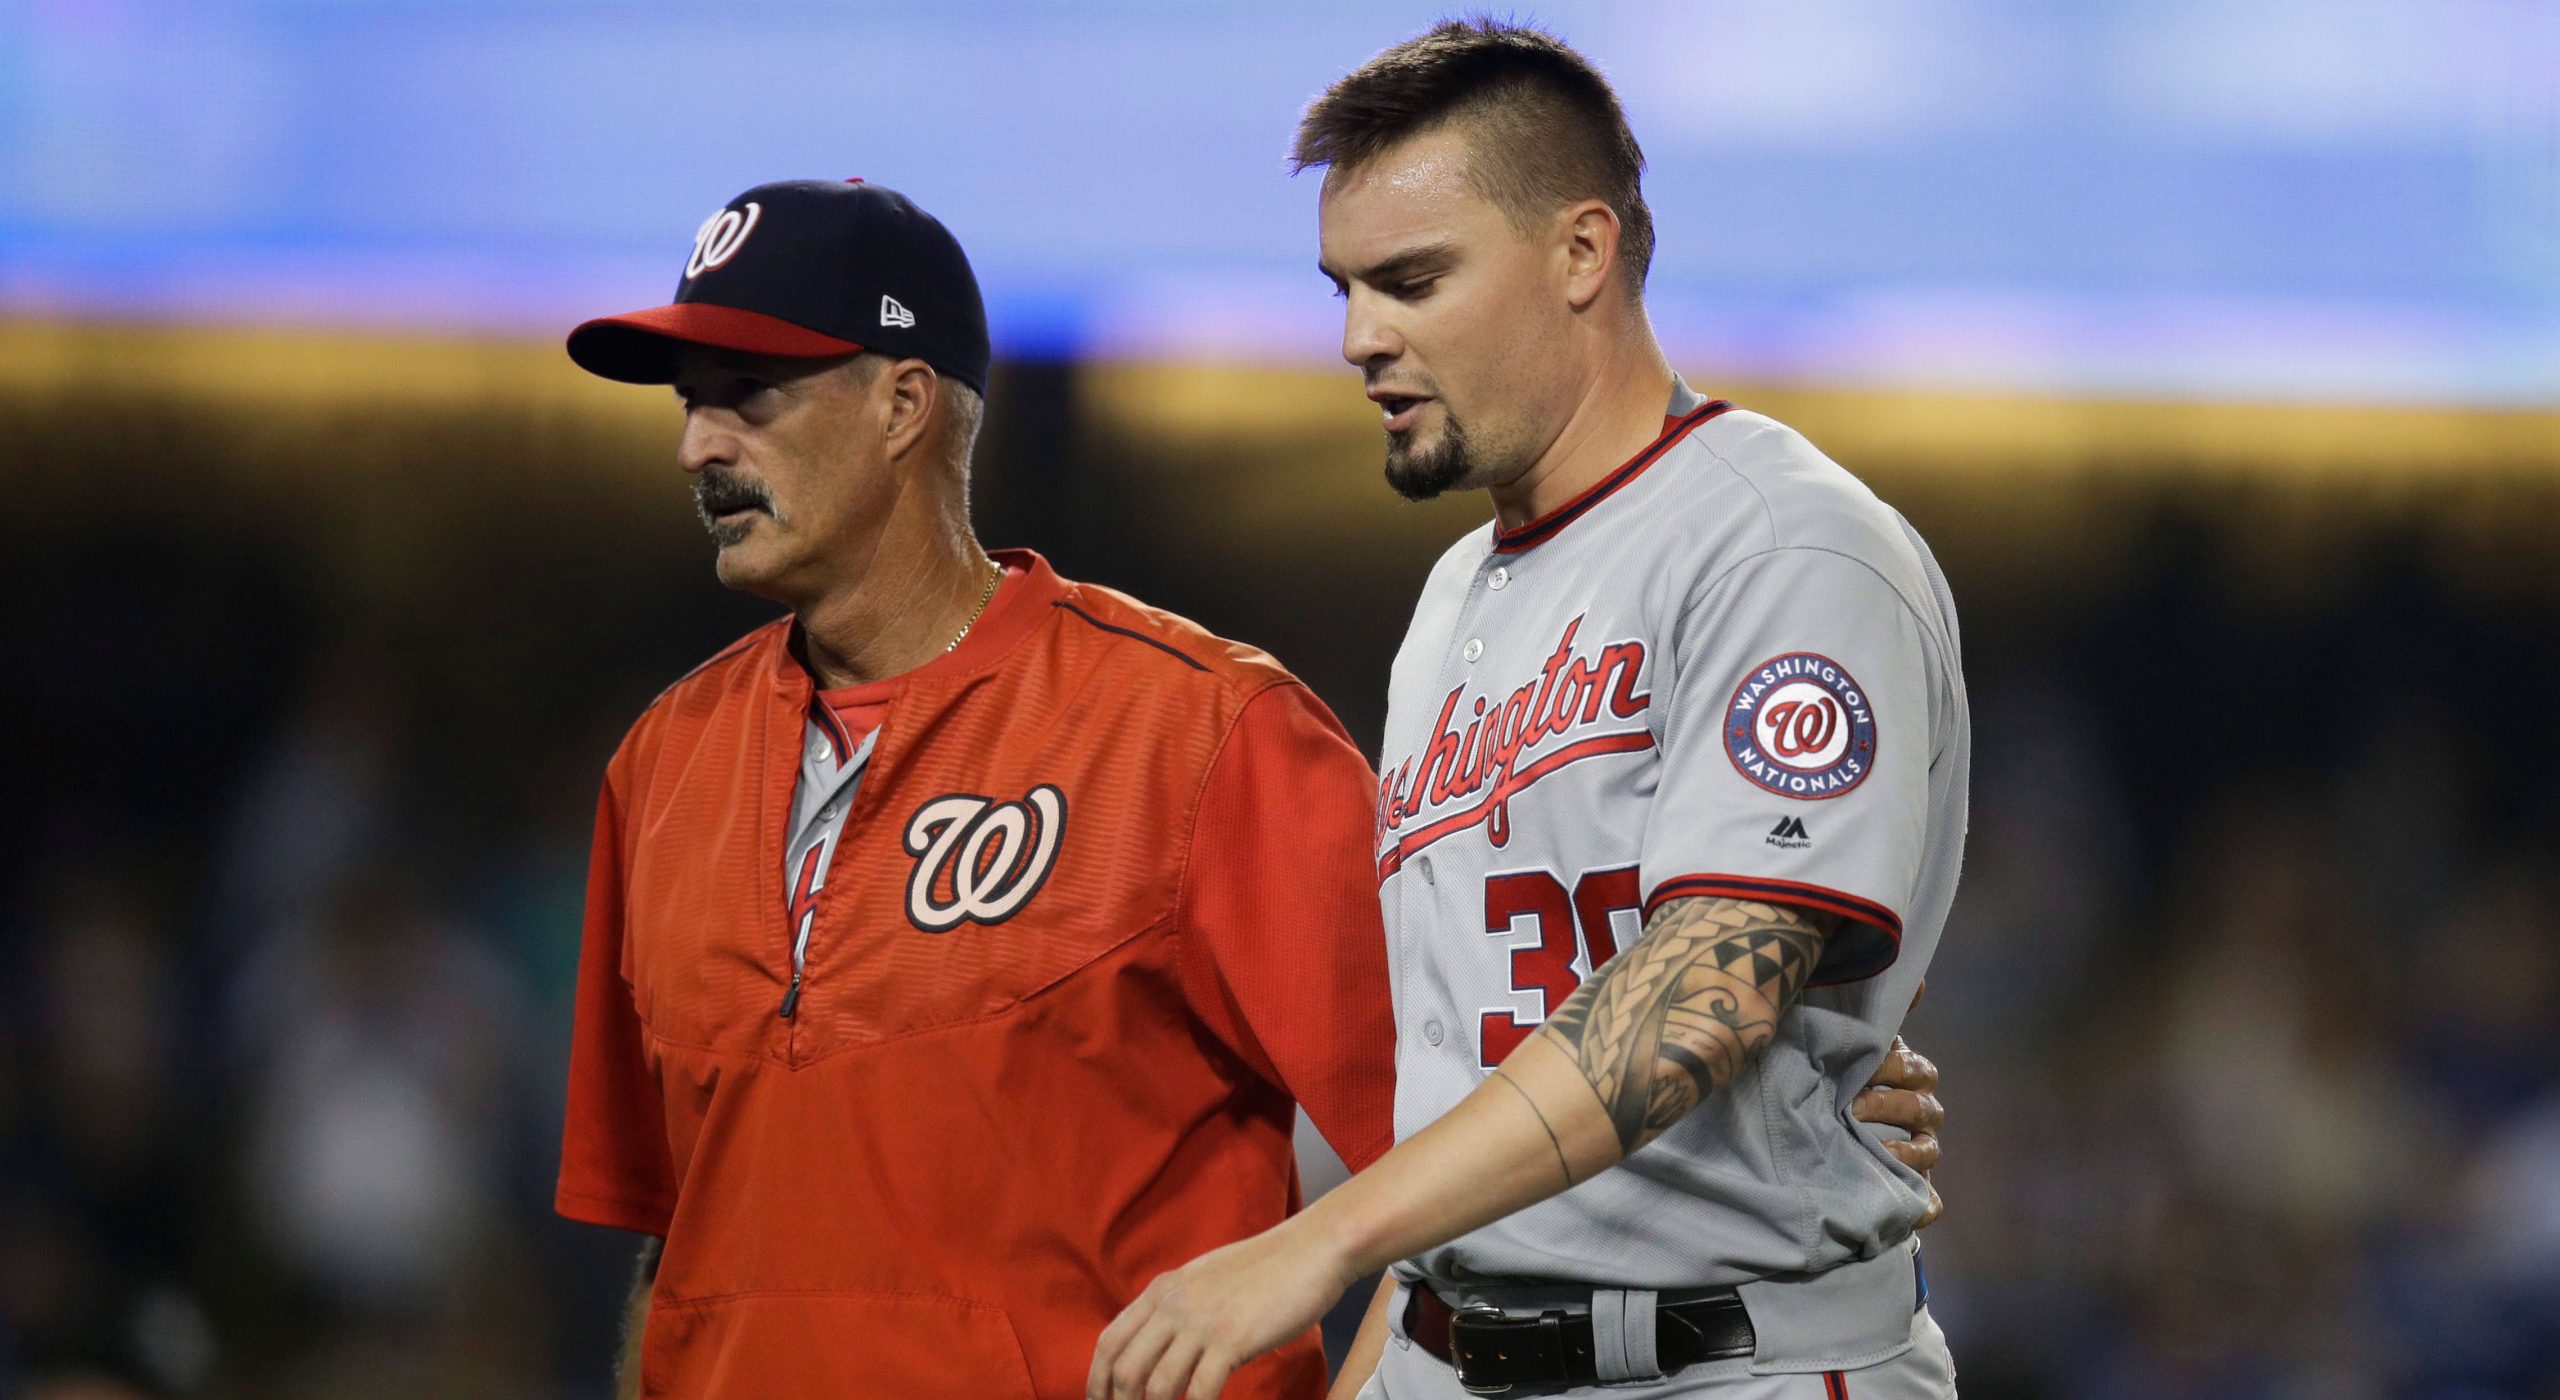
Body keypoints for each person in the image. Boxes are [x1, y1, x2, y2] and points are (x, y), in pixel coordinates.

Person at [553, 177, 1948, 1399]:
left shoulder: (1194, 733)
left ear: (904, 404)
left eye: (748, 397)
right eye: (689, 405)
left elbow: (1450, 1103)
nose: (699, 448)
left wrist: (1771, 1088)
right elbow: (675, 1232)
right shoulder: (660, 766)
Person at [1091, 21, 1968, 1400]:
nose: (1358, 337)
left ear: (1581, 253)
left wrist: (1319, 1240)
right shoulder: (1456, 594)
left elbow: (1708, 991)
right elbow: (1468, 1071)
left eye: (1412, 281)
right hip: (1451, 1345)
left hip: (1729, 1360)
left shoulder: (1780, 543)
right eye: (1345, 288)